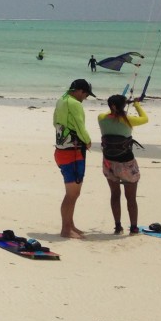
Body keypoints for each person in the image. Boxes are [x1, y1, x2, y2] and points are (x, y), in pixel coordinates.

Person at [98, 94, 147, 234]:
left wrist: (117, 106)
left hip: (109, 163)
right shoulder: (128, 120)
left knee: (115, 194)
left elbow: (109, 113)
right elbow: (145, 118)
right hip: (126, 164)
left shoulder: (101, 118)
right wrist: (137, 104)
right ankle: (133, 227)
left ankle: (118, 226)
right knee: (131, 198)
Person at [52, 78, 95, 238]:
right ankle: (65, 229)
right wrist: (88, 141)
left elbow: (55, 122)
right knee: (72, 194)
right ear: (79, 91)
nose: (85, 98)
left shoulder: (61, 100)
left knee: (73, 193)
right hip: (73, 152)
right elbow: (79, 125)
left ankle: (70, 225)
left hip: (61, 150)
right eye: (85, 94)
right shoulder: (74, 103)